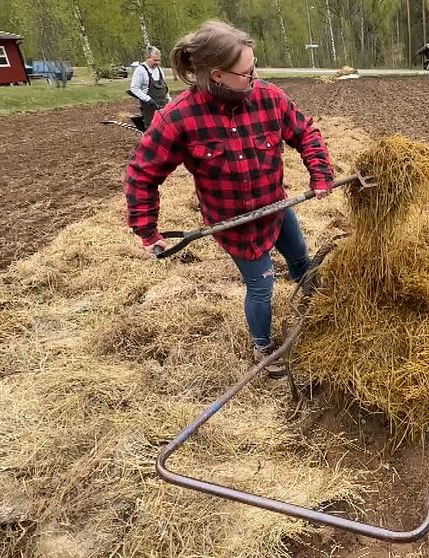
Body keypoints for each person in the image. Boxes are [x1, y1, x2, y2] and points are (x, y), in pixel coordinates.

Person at [124, 20, 335, 377]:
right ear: (218, 75)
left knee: (302, 259)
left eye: (254, 69)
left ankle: (316, 315)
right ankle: (266, 349)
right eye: (247, 73)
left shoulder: (269, 98)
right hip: (235, 225)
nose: (255, 78)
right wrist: (148, 230)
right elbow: (142, 174)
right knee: (262, 285)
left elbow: (305, 131)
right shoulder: (179, 118)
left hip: (277, 208)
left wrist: (321, 174)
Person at [129, 46, 171, 130]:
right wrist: (148, 99)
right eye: (155, 60)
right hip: (149, 107)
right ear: (147, 58)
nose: (157, 63)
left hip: (163, 105)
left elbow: (164, 87)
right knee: (153, 129)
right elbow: (134, 88)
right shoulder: (140, 70)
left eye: (159, 60)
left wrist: (169, 100)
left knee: (167, 127)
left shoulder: (159, 70)